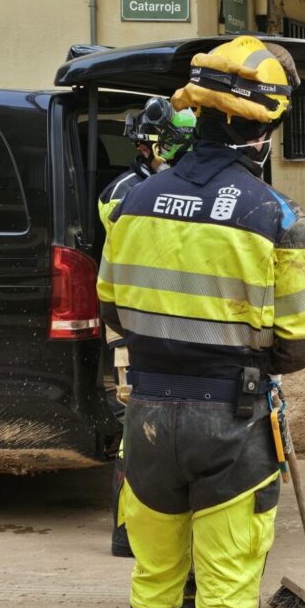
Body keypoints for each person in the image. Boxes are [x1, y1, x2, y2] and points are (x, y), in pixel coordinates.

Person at [98, 36, 305, 608]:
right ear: (264, 130)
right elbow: (303, 341)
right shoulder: (275, 216)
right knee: (226, 588)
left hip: (145, 418)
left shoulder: (134, 203)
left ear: (196, 114)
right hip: (232, 420)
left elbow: (113, 310)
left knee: (154, 578)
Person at [101, 102, 196, 559]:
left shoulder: (164, 187)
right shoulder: (125, 192)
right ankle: (126, 529)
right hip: (135, 322)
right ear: (146, 144)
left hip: (170, 318)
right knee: (135, 425)